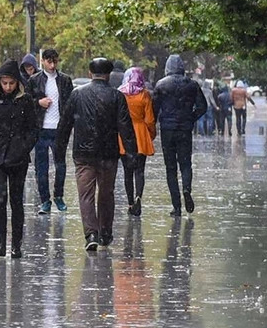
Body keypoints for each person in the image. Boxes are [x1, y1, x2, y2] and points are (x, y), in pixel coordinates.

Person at [54, 57, 138, 252]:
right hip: (108, 153)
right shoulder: (117, 97)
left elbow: (65, 125)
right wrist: (131, 154)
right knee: (106, 193)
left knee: (86, 194)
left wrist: (60, 150)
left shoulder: (77, 95)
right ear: (108, 75)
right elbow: (125, 127)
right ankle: (105, 231)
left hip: (83, 153)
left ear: (90, 73)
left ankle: (91, 233)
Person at [0, 59, 39, 258]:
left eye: (11, 83)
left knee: (16, 200)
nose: (7, 87)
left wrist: (24, 148)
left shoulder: (26, 100)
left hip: (17, 156)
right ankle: (0, 242)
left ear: (17, 83)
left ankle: (16, 244)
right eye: (4, 83)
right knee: (0, 198)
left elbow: (32, 129)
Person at [151, 54, 208, 216]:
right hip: (185, 129)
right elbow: (202, 107)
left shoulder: (161, 85)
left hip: (167, 130)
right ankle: (186, 189)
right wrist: (191, 117)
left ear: (167, 67)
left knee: (170, 168)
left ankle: (176, 206)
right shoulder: (192, 85)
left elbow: (154, 110)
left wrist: (153, 126)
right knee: (185, 164)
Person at [28, 47, 73, 214]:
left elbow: (70, 103)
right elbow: (26, 101)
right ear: (43, 61)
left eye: (55, 61)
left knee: (60, 165)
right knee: (41, 167)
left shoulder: (65, 81)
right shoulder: (34, 80)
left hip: (59, 129)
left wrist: (68, 124)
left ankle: (59, 196)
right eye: (49, 61)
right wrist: (38, 103)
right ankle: (44, 200)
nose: (52, 65)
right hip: (41, 128)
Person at [118, 66, 156, 216]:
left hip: (124, 135)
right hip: (141, 134)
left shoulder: (120, 93)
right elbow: (150, 119)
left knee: (127, 171)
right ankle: (138, 196)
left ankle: (130, 202)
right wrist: (151, 134)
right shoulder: (144, 95)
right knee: (140, 170)